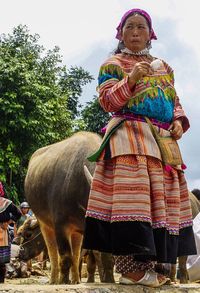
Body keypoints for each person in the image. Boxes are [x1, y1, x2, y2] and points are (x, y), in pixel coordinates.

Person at [83, 8, 196, 288]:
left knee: (160, 201)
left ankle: (155, 267)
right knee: (132, 200)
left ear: (151, 34)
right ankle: (130, 269)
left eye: (141, 27)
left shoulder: (164, 66)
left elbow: (173, 99)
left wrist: (179, 120)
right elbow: (108, 102)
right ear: (120, 34)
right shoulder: (112, 64)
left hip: (161, 141)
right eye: (130, 27)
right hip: (129, 136)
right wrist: (130, 79)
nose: (135, 31)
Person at [0, 182, 21, 283]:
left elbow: (18, 213)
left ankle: (1, 280)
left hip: (3, 231)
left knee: (2, 259)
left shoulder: (7, 203)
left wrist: (9, 221)